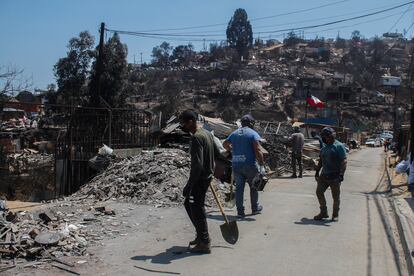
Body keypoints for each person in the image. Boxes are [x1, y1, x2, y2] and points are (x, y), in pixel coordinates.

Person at [180, 110, 220, 254]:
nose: (183, 126)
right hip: (206, 177)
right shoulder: (208, 134)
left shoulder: (197, 138)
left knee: (197, 208)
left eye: (184, 123)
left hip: (200, 179)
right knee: (189, 204)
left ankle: (204, 241)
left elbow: (197, 165)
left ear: (191, 121)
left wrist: (189, 185)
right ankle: (200, 236)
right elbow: (218, 154)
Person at [223, 114, 265, 218]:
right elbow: (258, 149)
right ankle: (255, 208)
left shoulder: (234, 133)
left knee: (239, 189)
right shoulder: (253, 134)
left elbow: (225, 144)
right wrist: (261, 163)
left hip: (236, 165)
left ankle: (240, 211)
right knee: (254, 187)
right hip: (249, 165)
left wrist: (231, 150)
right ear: (252, 123)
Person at [314, 127, 347, 221]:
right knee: (319, 192)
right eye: (323, 137)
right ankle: (323, 212)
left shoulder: (339, 146)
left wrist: (341, 174)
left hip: (335, 176)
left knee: (335, 197)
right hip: (324, 175)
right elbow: (321, 160)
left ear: (331, 136)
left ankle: (335, 214)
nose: (325, 139)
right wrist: (317, 172)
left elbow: (344, 161)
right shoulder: (324, 147)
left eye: (326, 137)